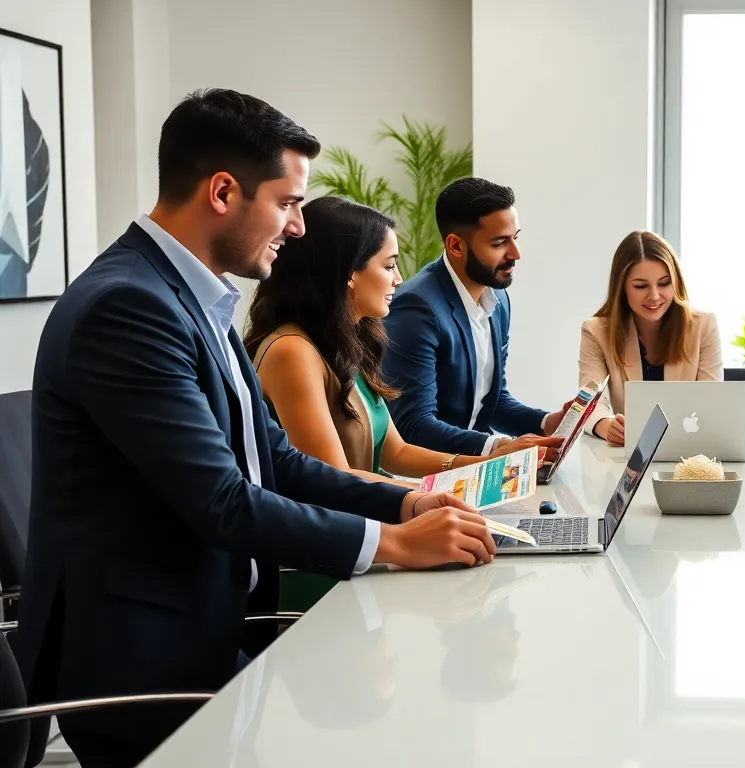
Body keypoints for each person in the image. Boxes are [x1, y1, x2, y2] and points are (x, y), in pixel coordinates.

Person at [15, 90, 498, 768]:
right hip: (140, 662)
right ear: (221, 192)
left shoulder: (194, 295)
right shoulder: (128, 307)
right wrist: (394, 542)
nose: (297, 227)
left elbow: (270, 458)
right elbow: (221, 499)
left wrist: (407, 502)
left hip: (207, 629)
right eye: (287, 202)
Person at [244, 196, 545, 486]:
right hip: (336, 530)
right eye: (389, 266)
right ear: (349, 273)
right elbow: (333, 478)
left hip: (367, 511)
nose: (398, 279)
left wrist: (492, 463)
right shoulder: (292, 351)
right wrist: (433, 496)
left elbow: (395, 452)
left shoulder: (349, 339)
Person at [382, 177, 569, 456]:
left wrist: (548, 423)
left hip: (476, 467)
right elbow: (414, 426)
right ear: (456, 246)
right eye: (499, 243)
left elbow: (492, 403)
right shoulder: (416, 308)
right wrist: (500, 447)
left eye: (515, 238)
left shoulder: (498, 298)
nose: (515, 254)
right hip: (428, 474)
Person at [579, 230, 723, 446]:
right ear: (622, 287)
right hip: (628, 456)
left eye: (664, 283)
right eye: (641, 286)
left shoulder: (703, 326)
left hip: (689, 449)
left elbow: (711, 403)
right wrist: (606, 425)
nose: (654, 295)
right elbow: (589, 402)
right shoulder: (596, 331)